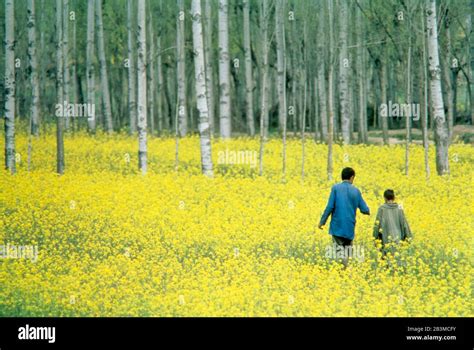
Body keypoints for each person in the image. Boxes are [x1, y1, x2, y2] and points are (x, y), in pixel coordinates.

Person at [318, 167, 370, 266]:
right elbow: (365, 209)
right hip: (349, 227)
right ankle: (347, 273)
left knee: (340, 253)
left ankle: (343, 273)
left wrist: (322, 222)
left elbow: (329, 207)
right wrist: (367, 211)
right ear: (352, 177)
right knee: (348, 252)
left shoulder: (335, 189)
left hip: (337, 226)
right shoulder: (356, 191)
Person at [373, 189, 412, 258]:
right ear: (394, 198)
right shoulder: (399, 209)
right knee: (397, 262)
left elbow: (377, 225)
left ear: (384, 198)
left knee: (387, 262)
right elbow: (404, 224)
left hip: (386, 240)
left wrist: (375, 239)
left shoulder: (381, 209)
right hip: (398, 239)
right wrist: (408, 238)